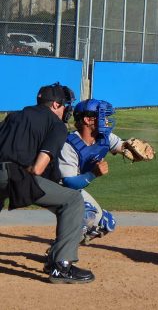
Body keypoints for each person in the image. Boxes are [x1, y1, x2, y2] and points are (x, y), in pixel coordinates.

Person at [0, 83, 95, 284]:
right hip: (15, 175)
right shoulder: (56, 124)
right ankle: (61, 266)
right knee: (71, 201)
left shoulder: (14, 116)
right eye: (64, 105)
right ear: (54, 105)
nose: (66, 109)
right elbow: (38, 169)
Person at [58, 99, 124, 245]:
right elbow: (68, 182)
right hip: (55, 188)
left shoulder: (104, 138)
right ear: (88, 120)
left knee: (105, 223)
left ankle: (59, 250)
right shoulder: (69, 145)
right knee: (86, 214)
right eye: (102, 116)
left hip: (74, 189)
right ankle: (59, 257)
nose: (106, 120)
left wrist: (131, 147)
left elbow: (122, 146)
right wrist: (93, 174)